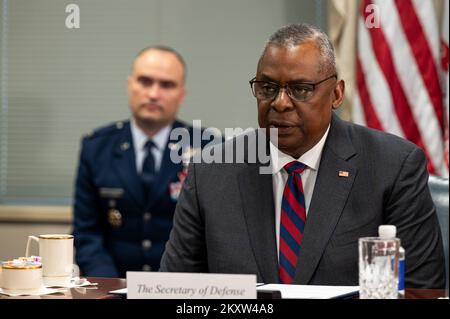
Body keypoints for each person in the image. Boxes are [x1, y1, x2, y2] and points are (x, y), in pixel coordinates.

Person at [160, 24, 446, 288]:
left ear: (336, 94)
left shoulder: (392, 167)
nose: (280, 103)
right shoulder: (211, 172)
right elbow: (173, 290)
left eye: (300, 89)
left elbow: (423, 290)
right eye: (267, 88)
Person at [73, 46, 212, 277]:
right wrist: (113, 289)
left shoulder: (209, 148)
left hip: (181, 290)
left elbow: (215, 237)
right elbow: (87, 234)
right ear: (130, 85)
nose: (154, 94)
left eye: (166, 85)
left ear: (182, 94)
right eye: (145, 81)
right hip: (112, 286)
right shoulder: (96, 148)